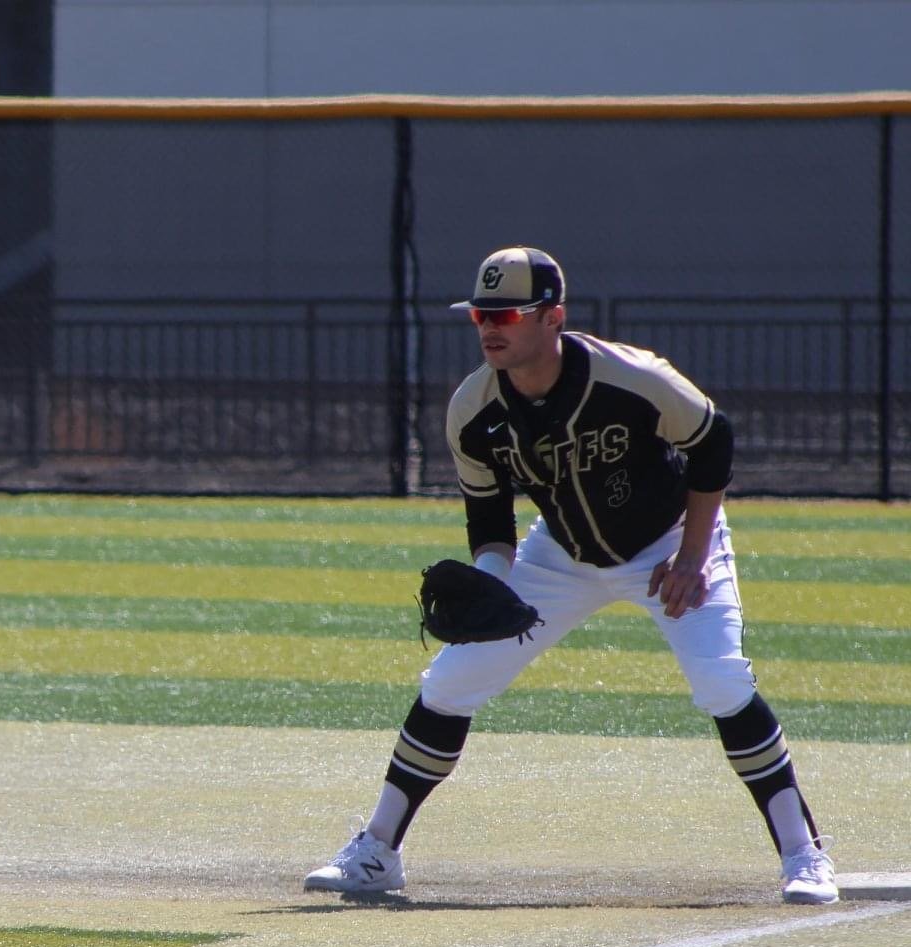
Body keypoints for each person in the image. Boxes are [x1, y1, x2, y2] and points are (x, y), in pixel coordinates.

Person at [305, 247, 837, 905]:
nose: (489, 326)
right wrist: (492, 579)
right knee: (448, 682)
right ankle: (378, 851)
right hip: (561, 556)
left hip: (669, 543)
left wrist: (694, 555)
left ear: (552, 316)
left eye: (505, 312)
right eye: (479, 313)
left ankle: (804, 854)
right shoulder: (474, 409)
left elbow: (712, 440)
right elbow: (488, 512)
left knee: (721, 680)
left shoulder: (631, 378)